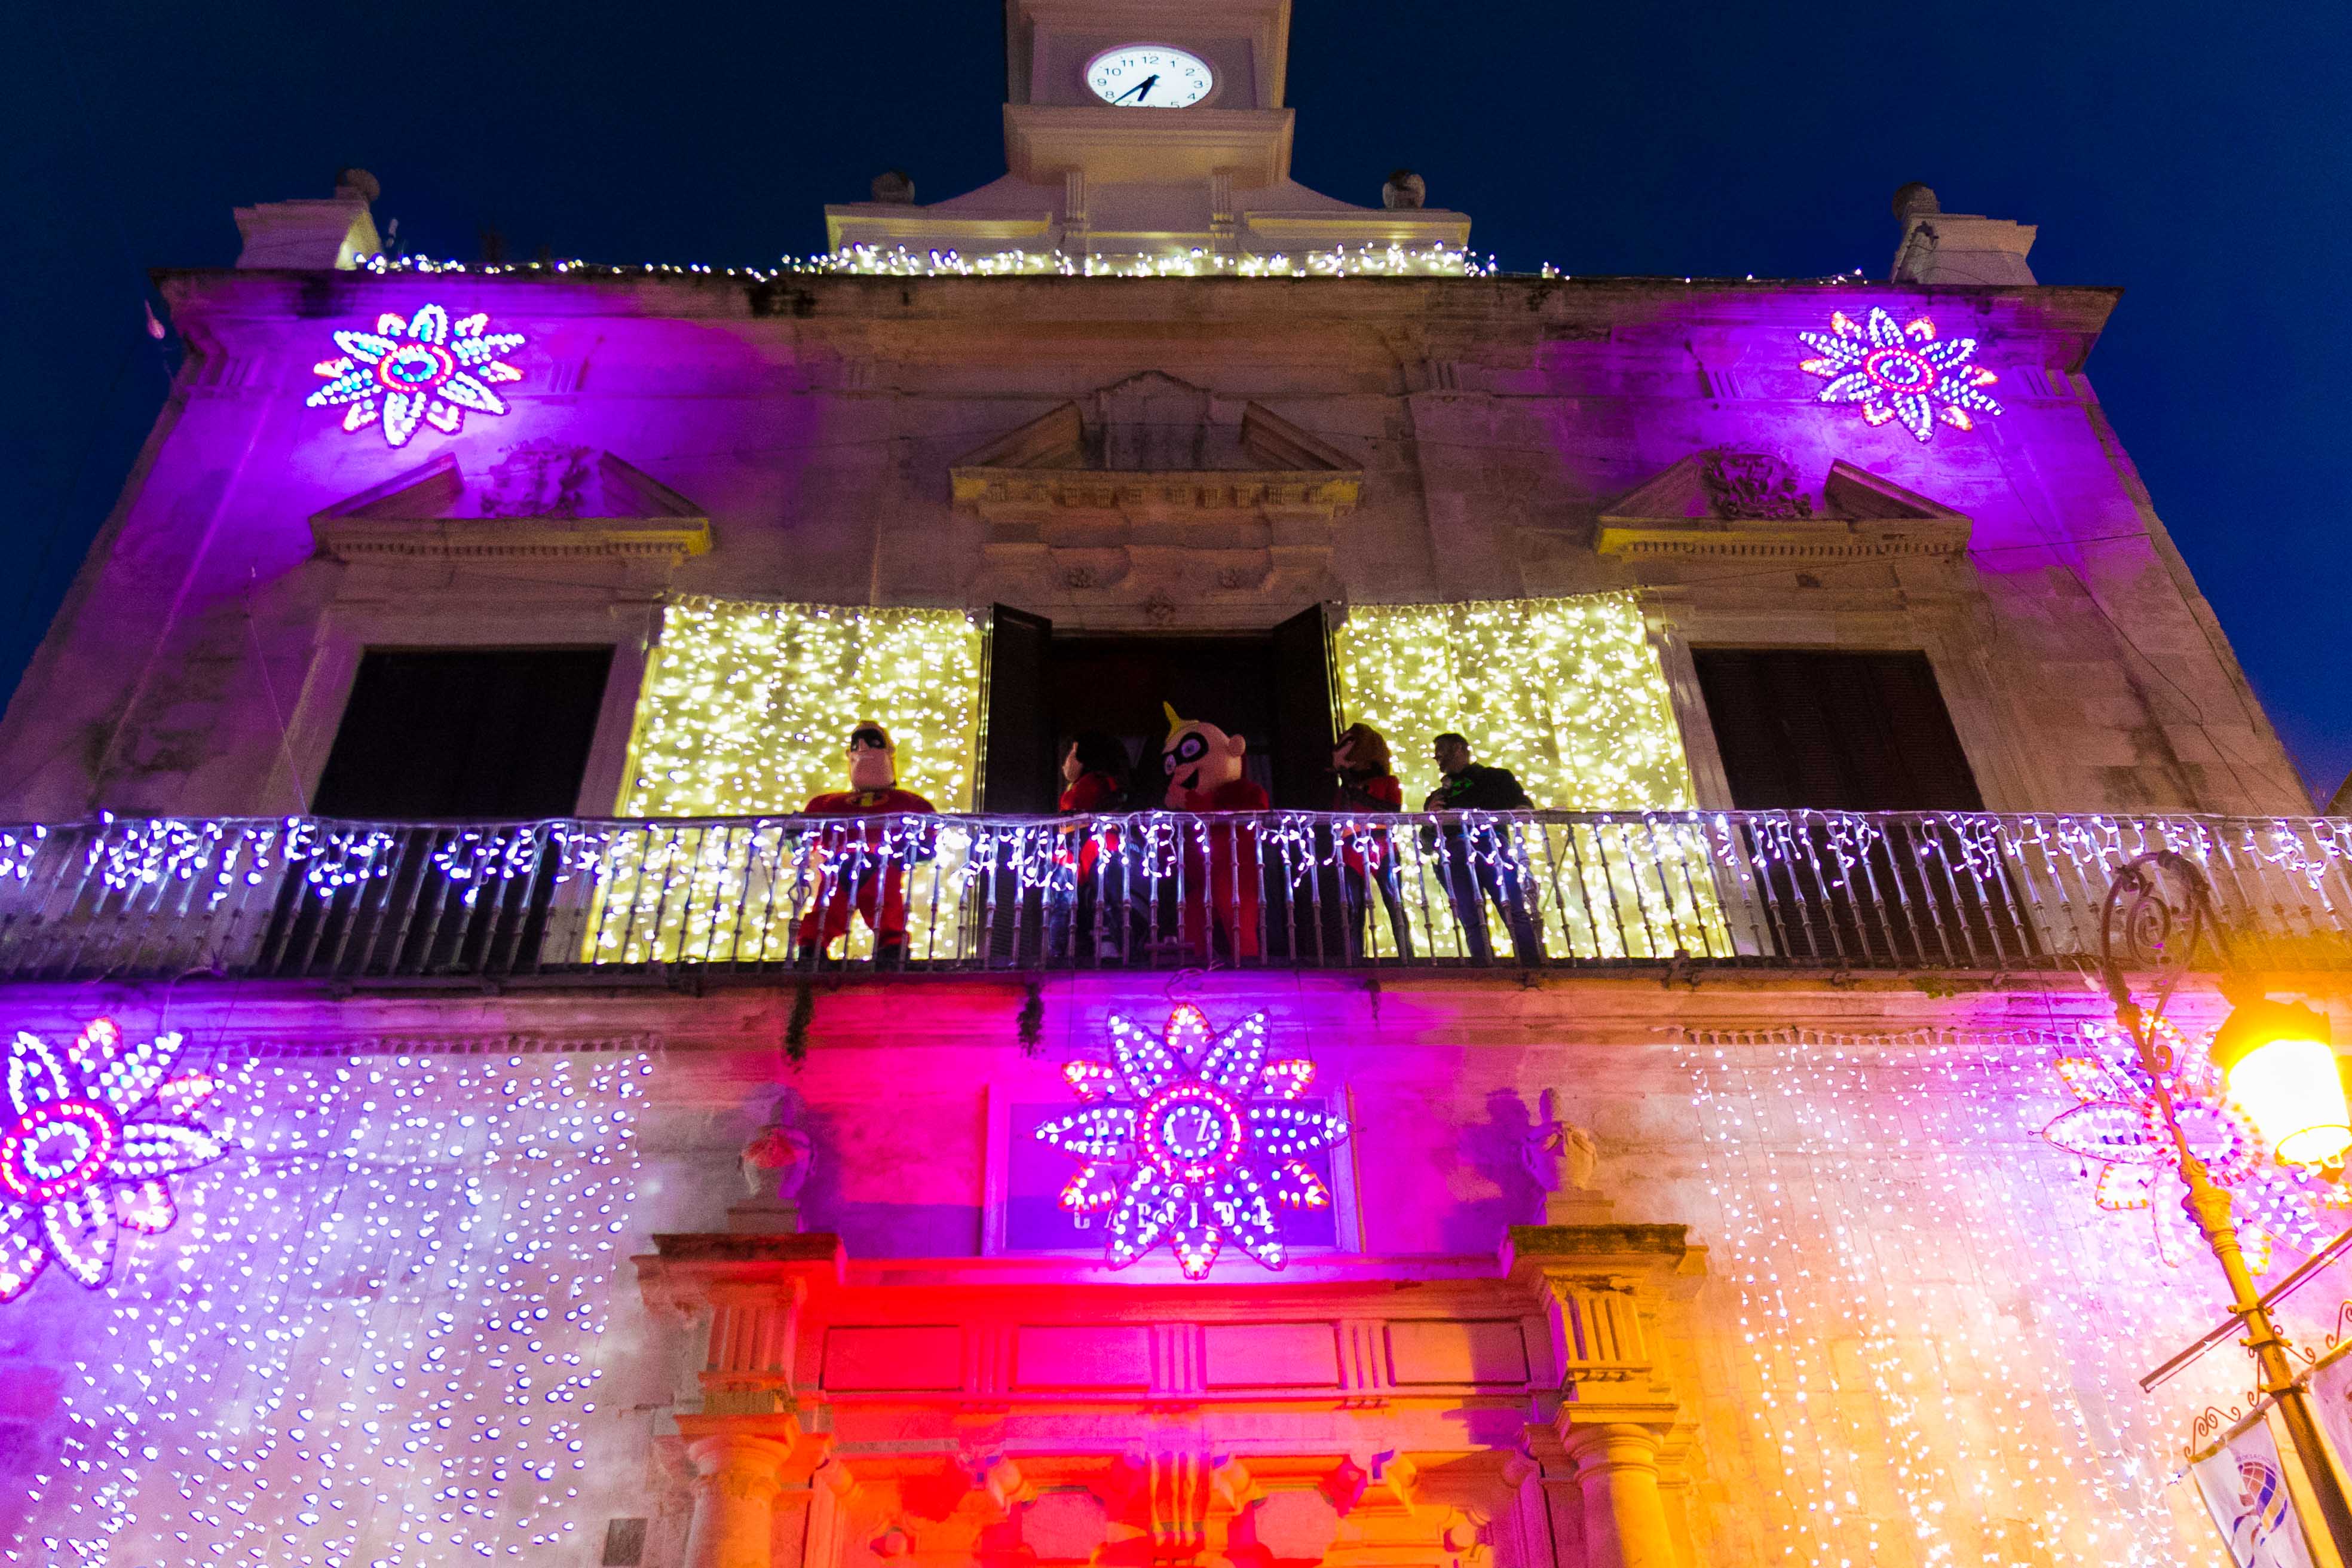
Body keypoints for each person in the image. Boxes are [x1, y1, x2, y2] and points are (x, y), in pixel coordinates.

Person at [794, 721, 936, 967]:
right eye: (857, 745)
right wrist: (797, 837)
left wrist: (912, 851)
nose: (862, 749)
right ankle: (813, 945)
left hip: (883, 862)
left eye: (872, 743)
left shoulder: (909, 802)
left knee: (886, 903)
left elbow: (928, 837)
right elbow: (805, 835)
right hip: (840, 863)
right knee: (829, 904)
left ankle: (892, 946)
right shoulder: (827, 803)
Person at [1422, 731, 1544, 966]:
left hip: (1491, 846)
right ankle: (1483, 965)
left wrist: (1515, 812)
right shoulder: (1437, 795)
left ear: (1459, 748)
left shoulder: (1495, 778)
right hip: (1453, 854)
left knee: (1512, 909)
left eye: (1442, 750)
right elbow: (1427, 845)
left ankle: (1531, 964)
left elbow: (1523, 807)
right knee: (1470, 917)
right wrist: (1430, 819)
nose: (1437, 757)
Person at [1159, 703, 1268, 961]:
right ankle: (1197, 967)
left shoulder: (1246, 791)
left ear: (1235, 748)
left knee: (1238, 921)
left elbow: (1253, 811)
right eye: (1172, 761)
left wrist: (1191, 802)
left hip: (1236, 873)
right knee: (1192, 917)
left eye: (1190, 750)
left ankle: (1248, 969)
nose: (1178, 768)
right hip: (1203, 877)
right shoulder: (1193, 800)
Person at [1329, 722, 1412, 960]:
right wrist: (1348, 789)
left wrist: (1360, 795)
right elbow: (1340, 817)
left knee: (1393, 901)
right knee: (1354, 909)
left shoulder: (1388, 782)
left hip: (1383, 845)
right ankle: (1355, 959)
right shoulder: (1344, 791)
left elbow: (1393, 809)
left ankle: (1407, 956)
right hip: (1351, 849)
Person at [1051, 731, 1130, 960]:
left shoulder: (1102, 782)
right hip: (1071, 846)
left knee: (1109, 899)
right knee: (1063, 902)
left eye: (1074, 753)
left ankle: (1122, 949)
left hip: (1096, 844)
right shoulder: (1079, 784)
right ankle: (1060, 950)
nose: (1068, 760)